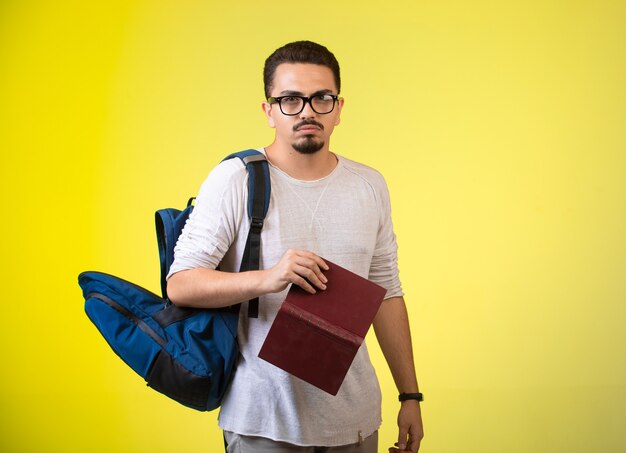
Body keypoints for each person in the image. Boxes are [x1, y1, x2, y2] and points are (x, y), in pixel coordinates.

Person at [167, 40, 424, 453]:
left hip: (356, 422)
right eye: (290, 99)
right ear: (268, 110)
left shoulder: (369, 185)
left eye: (321, 98)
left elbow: (387, 294)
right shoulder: (236, 179)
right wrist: (269, 278)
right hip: (263, 422)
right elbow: (180, 284)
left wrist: (409, 396)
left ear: (339, 108)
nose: (306, 111)